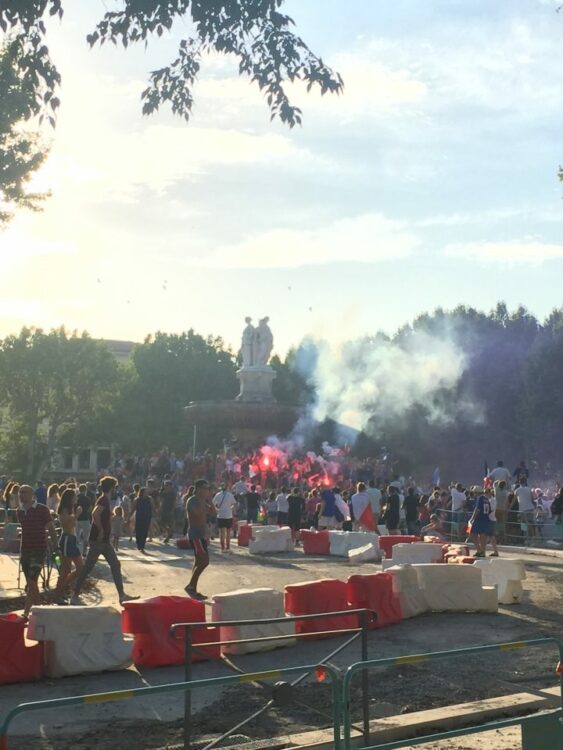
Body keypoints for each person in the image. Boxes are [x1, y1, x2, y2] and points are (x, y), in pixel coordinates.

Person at [71, 476, 139, 605]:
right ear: (112, 488)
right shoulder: (104, 500)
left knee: (106, 565)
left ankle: (121, 595)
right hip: (100, 540)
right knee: (91, 567)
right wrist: (101, 530)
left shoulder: (103, 500)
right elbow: (95, 514)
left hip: (103, 540)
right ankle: (75, 593)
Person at [17, 484, 59, 618]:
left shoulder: (42, 509)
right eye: (20, 492)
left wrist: (56, 546)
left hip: (39, 548)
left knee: (32, 579)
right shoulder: (19, 511)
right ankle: (28, 612)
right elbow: (24, 528)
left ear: (32, 495)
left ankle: (40, 611)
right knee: (31, 582)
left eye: (24, 492)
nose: (21, 495)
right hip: (25, 549)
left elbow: (51, 528)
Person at [185, 479, 217, 600]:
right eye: (205, 488)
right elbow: (197, 513)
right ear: (198, 489)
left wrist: (210, 500)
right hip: (195, 534)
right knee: (204, 561)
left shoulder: (203, 501)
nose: (206, 490)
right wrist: (204, 502)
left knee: (199, 562)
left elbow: (213, 513)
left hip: (201, 535)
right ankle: (190, 587)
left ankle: (193, 587)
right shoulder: (192, 500)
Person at [53, 488, 83, 600]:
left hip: (73, 539)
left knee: (81, 568)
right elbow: (66, 525)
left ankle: (63, 586)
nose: (76, 498)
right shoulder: (64, 509)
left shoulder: (71, 509)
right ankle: (58, 592)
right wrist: (77, 515)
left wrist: (75, 514)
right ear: (70, 498)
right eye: (75, 496)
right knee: (66, 569)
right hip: (66, 539)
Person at [468, 487, 492, 558]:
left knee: (473, 534)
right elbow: (490, 510)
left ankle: (479, 550)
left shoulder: (480, 498)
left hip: (479, 519)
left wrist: (472, 518)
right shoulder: (487, 499)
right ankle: (483, 552)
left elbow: (477, 509)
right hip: (486, 519)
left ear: (476, 492)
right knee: (483, 536)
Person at [212, 485, 236, 551]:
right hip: (228, 515)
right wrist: (231, 509)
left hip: (220, 515)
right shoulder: (230, 495)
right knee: (228, 532)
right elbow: (234, 504)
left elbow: (213, 503)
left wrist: (216, 509)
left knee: (222, 532)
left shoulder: (218, 494)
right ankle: (228, 547)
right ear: (227, 488)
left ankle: (222, 548)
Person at [75, 484, 92, 556]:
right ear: (85, 490)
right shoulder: (87, 499)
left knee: (76, 536)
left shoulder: (76, 498)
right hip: (85, 518)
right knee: (86, 537)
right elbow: (89, 509)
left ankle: (76, 551)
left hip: (77, 519)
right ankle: (84, 552)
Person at [134, 487, 152, 553]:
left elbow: (152, 507)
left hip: (147, 517)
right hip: (139, 517)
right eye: (145, 492)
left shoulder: (149, 499)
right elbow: (133, 508)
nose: (147, 493)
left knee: (144, 532)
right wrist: (128, 517)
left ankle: (142, 546)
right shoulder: (137, 499)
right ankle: (139, 544)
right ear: (142, 492)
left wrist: (156, 514)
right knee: (138, 531)